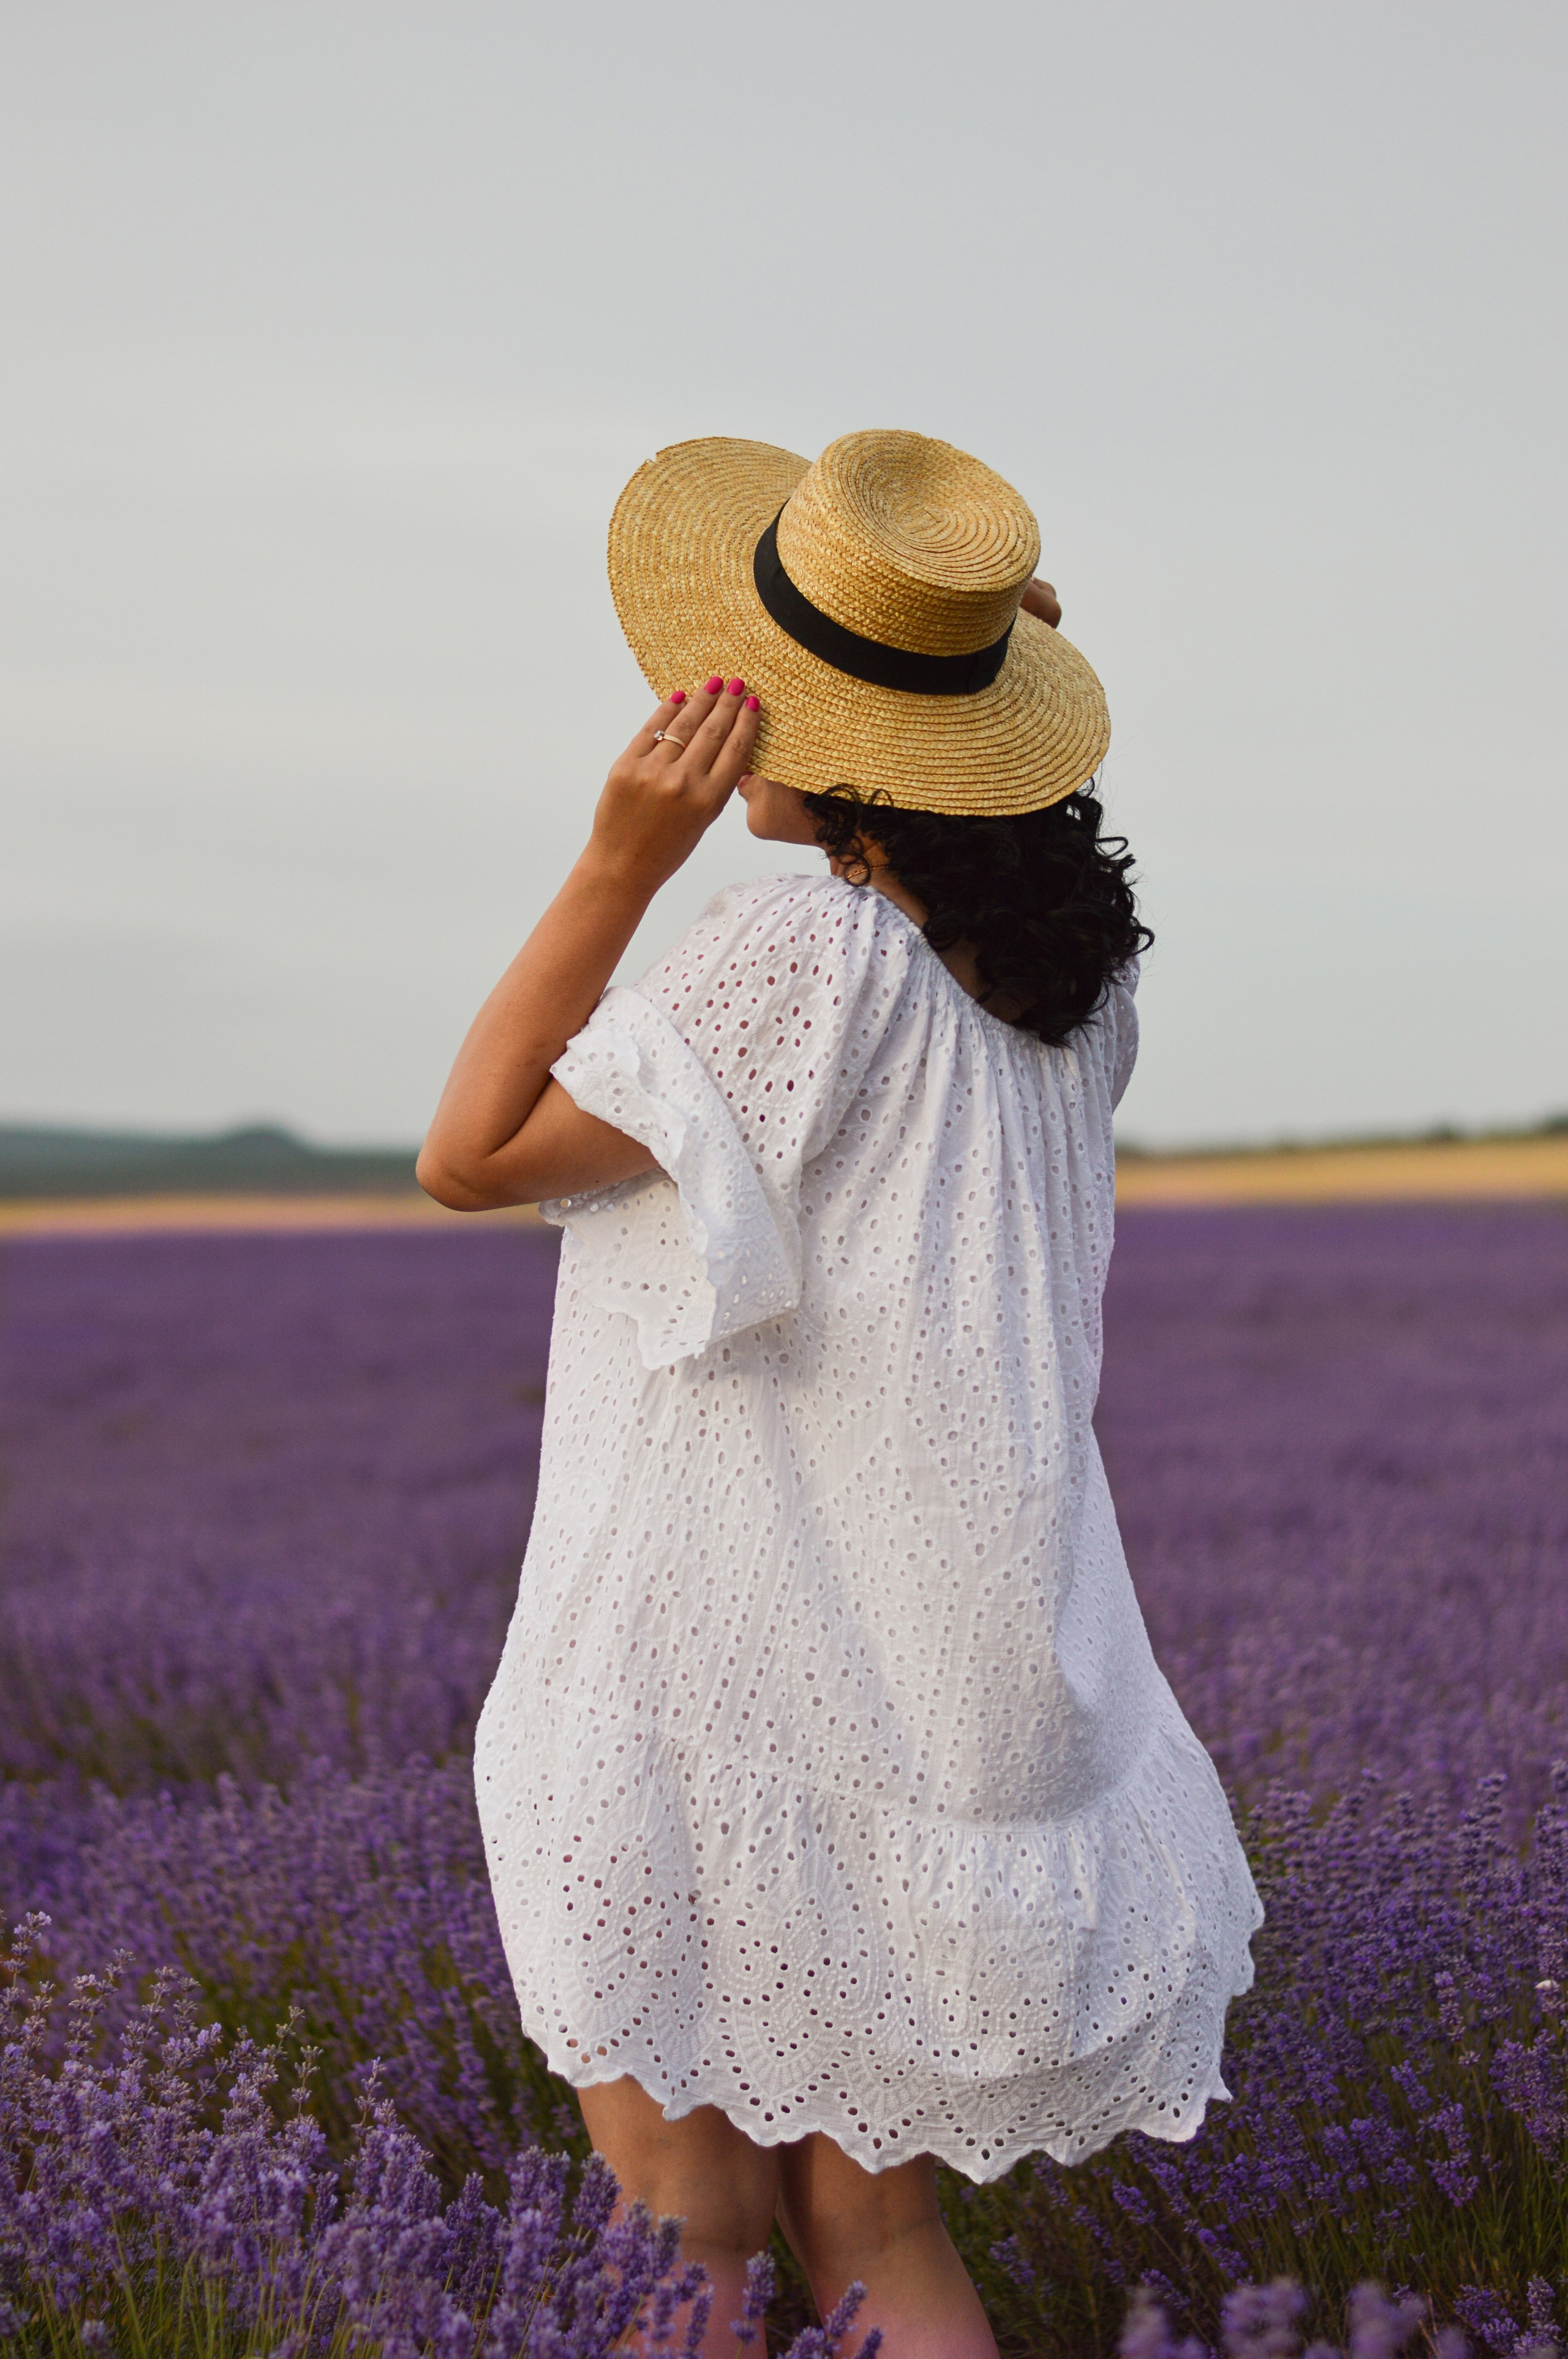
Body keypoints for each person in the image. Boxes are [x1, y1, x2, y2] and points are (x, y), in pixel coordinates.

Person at [418, 431, 1263, 2358]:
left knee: (688, 2228)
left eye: (754, 691)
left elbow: (468, 1152)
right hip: (962, 1673)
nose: (712, 720)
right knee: (870, 2229)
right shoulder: (1068, 983)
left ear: (833, 733)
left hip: (727, 1673)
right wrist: (967, 658)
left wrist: (618, 856)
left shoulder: (799, 954)